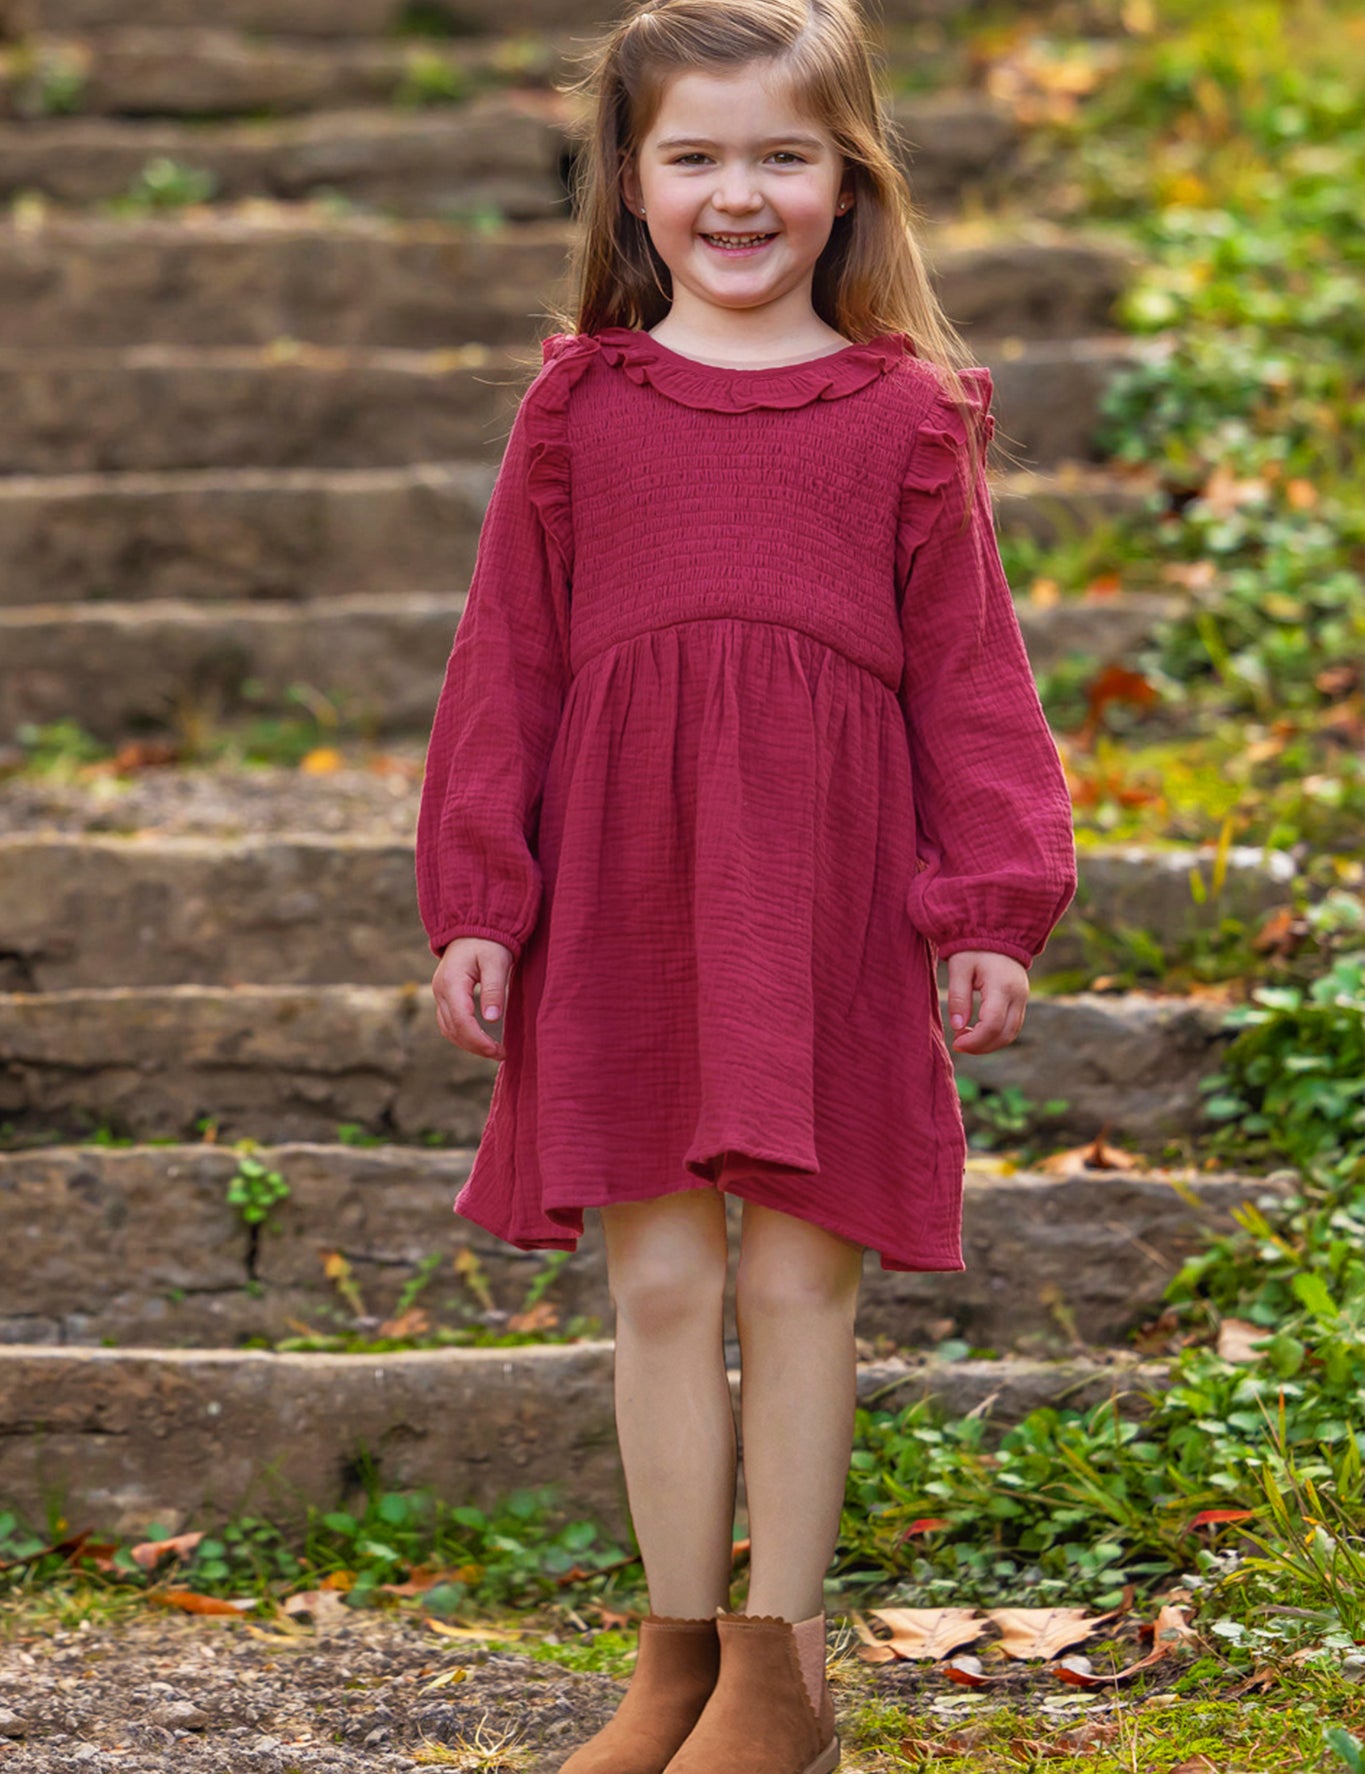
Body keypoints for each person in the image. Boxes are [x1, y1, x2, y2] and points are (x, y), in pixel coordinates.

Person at [415, 0, 1077, 1767]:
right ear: (629, 188)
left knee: (798, 1281)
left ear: (846, 178)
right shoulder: (580, 409)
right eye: (692, 156)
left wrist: (991, 901)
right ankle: (676, 1654)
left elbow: (970, 676)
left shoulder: (904, 417)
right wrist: (482, 893)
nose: (736, 192)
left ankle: (779, 1672)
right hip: (624, 884)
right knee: (655, 1287)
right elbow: (507, 665)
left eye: (780, 155)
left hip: (832, 887)